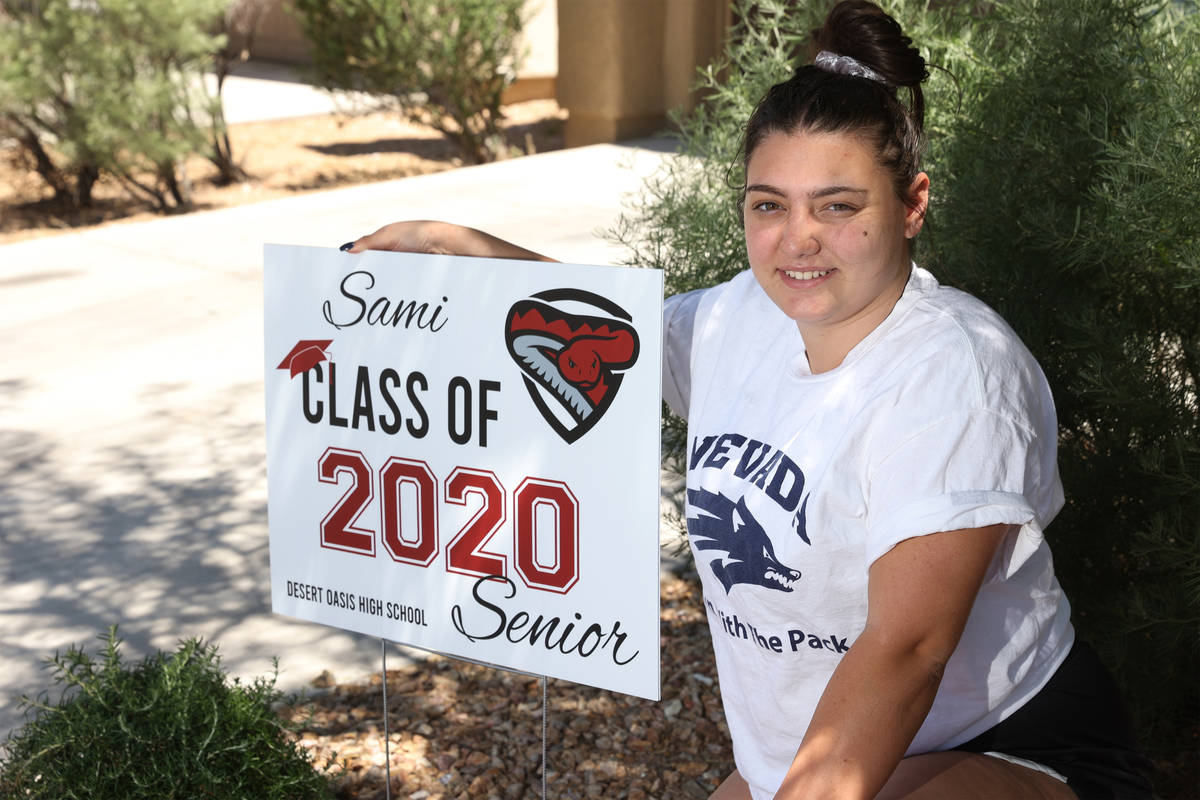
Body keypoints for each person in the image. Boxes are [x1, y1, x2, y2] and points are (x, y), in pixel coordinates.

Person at [340, 3, 1154, 797]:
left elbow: (906, 651)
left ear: (912, 205)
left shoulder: (956, 374)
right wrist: (459, 250)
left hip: (1005, 742)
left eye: (838, 206)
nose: (798, 238)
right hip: (816, 749)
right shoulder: (740, 317)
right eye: (770, 205)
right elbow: (605, 343)